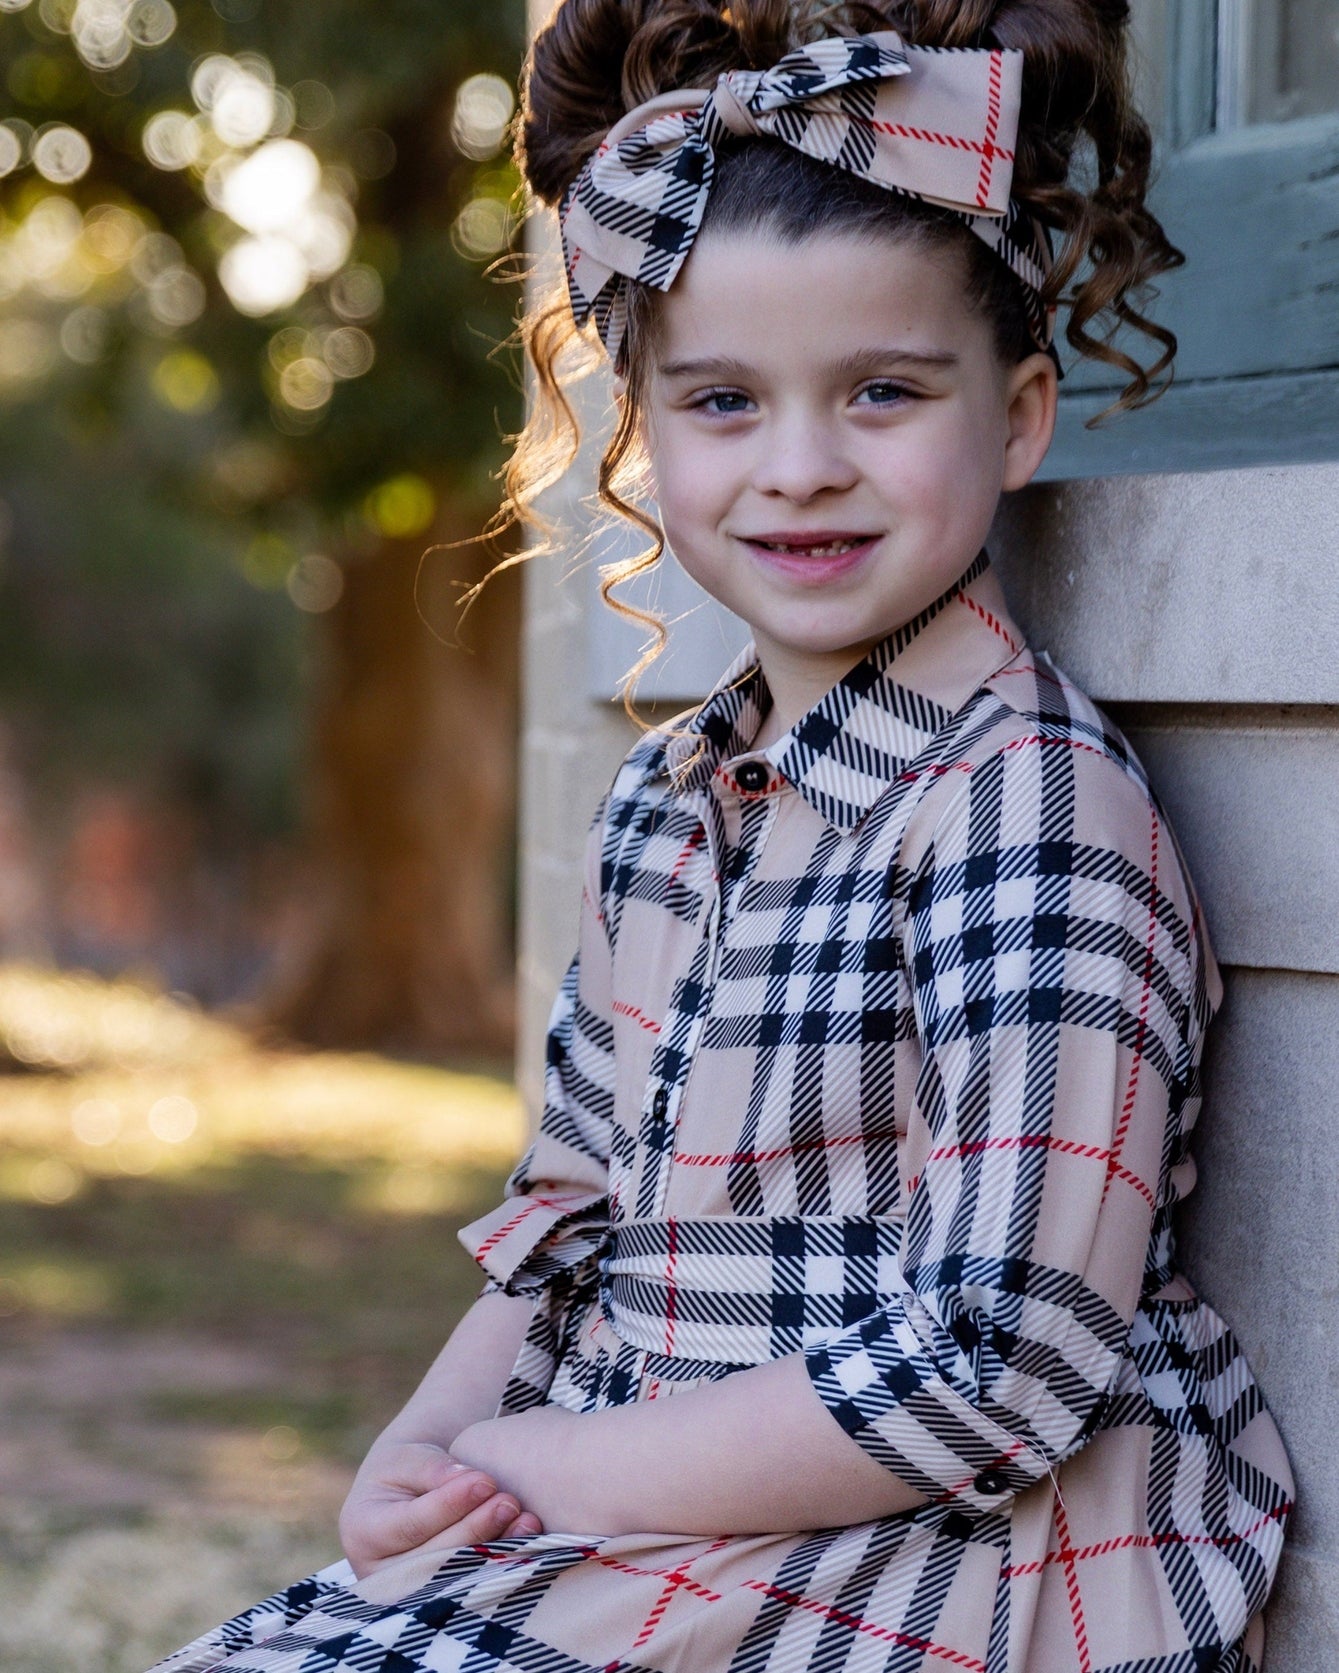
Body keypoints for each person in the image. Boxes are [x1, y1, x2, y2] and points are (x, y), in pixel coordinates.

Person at [150, 2, 1295, 1669]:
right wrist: (432, 1441)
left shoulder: (1027, 807)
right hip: (661, 1500)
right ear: (646, 430)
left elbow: (999, 1362)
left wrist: (551, 1466)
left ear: (1023, 413)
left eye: (885, 391)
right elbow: (570, 1220)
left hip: (957, 1545)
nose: (803, 468)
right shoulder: (665, 804)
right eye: (725, 402)